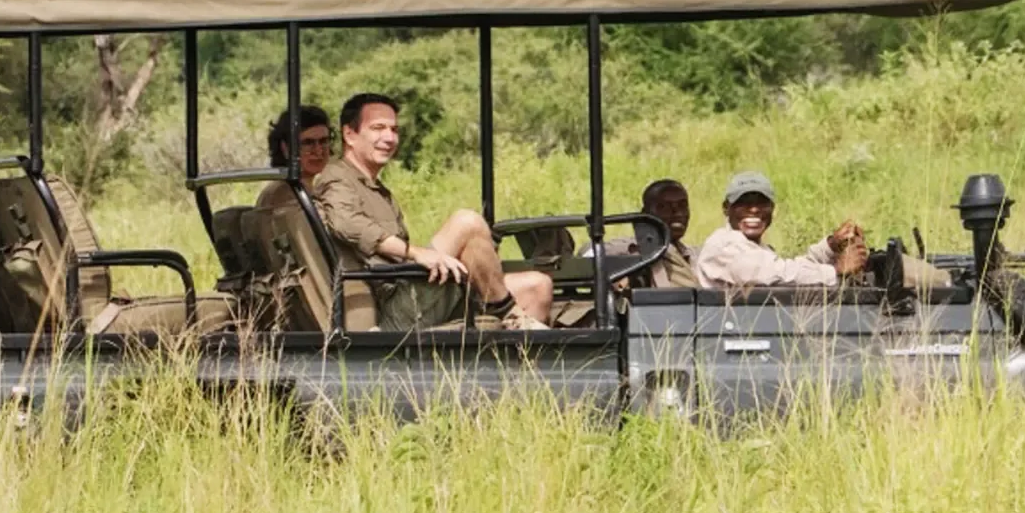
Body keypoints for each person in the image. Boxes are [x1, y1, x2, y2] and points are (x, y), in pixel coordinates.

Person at [312, 92, 553, 331]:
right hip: (390, 304)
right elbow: (347, 223)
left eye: (394, 130)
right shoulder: (335, 177)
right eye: (378, 128)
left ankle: (518, 365)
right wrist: (415, 253)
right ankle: (510, 314)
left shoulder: (376, 189)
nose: (389, 137)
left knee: (537, 286)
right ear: (350, 135)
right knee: (466, 222)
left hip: (411, 288)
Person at [695, 171, 866, 289]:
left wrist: (830, 247)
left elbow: (791, 270)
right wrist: (836, 270)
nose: (754, 210)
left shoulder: (753, 247)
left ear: (772, 209)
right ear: (726, 209)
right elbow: (780, 276)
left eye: (761, 203)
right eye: (744, 203)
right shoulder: (723, 246)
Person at [600, 179, 701, 289]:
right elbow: (591, 253)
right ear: (646, 213)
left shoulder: (693, 255)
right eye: (664, 207)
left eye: (682, 205)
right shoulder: (635, 251)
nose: (677, 212)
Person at [257, 104, 334, 206]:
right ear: (286, 148)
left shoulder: (317, 188)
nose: (318, 151)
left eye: (324, 141)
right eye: (308, 143)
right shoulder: (283, 193)